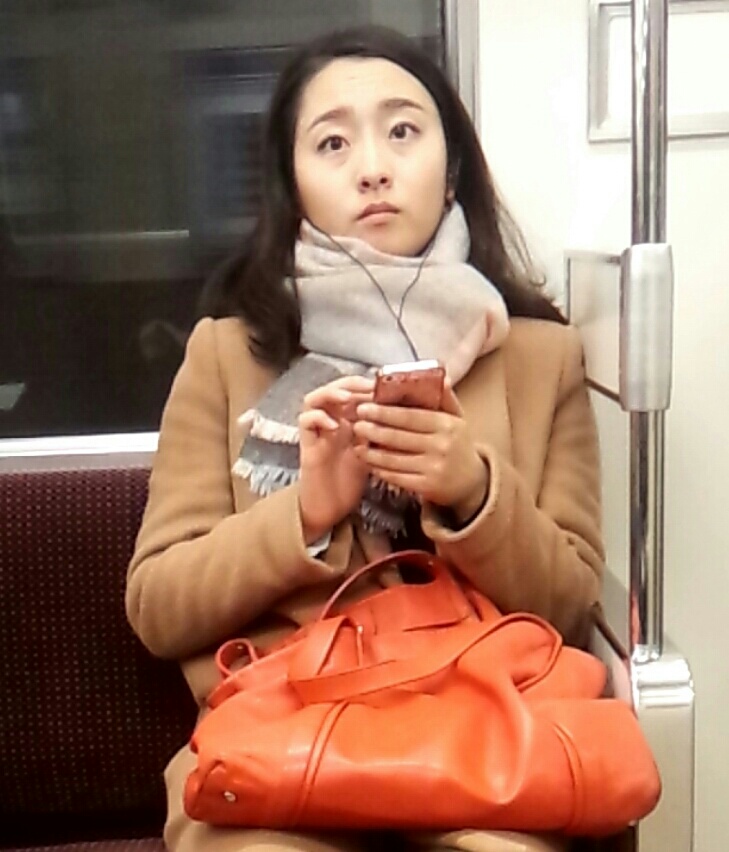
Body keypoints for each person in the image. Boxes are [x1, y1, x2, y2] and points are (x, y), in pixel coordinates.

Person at [126, 25, 604, 852]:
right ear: (293, 184)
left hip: (484, 746)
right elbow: (159, 609)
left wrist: (472, 493)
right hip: (284, 753)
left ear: (450, 169)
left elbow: (569, 609)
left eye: (402, 131)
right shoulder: (226, 354)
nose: (373, 167)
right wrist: (305, 514)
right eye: (332, 143)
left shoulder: (541, 358)